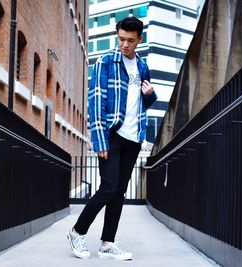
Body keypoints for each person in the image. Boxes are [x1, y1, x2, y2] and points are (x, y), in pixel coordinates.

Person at [67, 16, 157, 261]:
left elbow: (144, 103)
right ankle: (77, 232)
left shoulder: (143, 67)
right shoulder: (106, 61)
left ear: (140, 39)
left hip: (133, 137)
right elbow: (96, 102)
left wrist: (150, 95)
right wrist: (100, 140)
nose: (125, 45)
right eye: (121, 39)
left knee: (119, 192)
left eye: (130, 40)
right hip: (112, 135)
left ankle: (108, 243)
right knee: (107, 188)